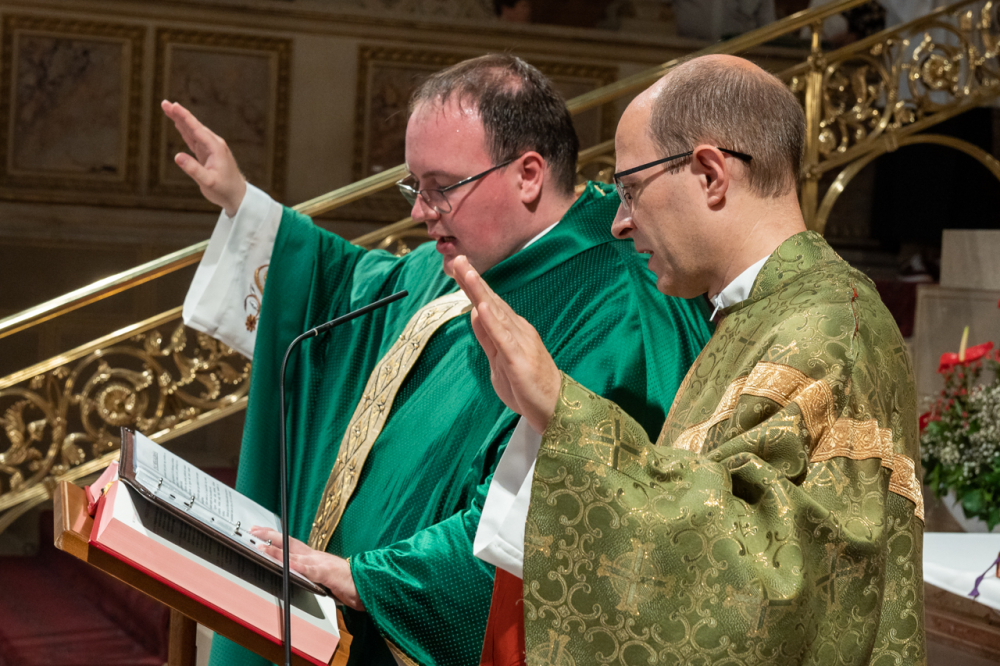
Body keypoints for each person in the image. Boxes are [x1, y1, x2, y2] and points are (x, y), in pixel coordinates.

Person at [167, 54, 712, 666]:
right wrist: (244, 205)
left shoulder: (619, 309)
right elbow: (353, 290)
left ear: (528, 174)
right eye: (414, 187)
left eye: (440, 187)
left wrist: (368, 582)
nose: (418, 211)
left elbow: (563, 518)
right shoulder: (462, 260)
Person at [454, 54, 926, 665]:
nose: (620, 222)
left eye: (630, 190)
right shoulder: (755, 316)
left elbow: (766, 591)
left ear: (709, 174)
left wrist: (564, 411)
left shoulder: (831, 330)